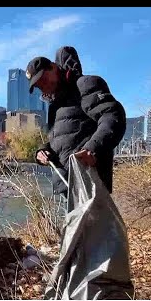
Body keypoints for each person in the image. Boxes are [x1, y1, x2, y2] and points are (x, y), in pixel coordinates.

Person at [28, 46, 126, 198]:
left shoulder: (85, 85)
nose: (44, 87)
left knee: (98, 222)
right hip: (67, 185)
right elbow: (60, 142)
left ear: (53, 67)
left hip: (89, 179)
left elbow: (112, 116)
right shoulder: (55, 106)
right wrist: (43, 151)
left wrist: (91, 150)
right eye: (39, 86)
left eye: (44, 79)